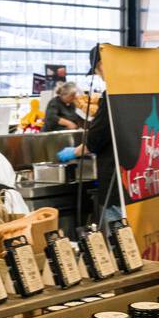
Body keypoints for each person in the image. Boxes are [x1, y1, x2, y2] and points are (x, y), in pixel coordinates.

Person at [57, 45, 118, 228]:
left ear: (101, 65)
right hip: (137, 183)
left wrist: (74, 152)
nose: (99, 76)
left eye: (98, 71)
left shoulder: (112, 96)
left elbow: (95, 139)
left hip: (116, 184)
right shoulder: (139, 91)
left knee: (120, 243)